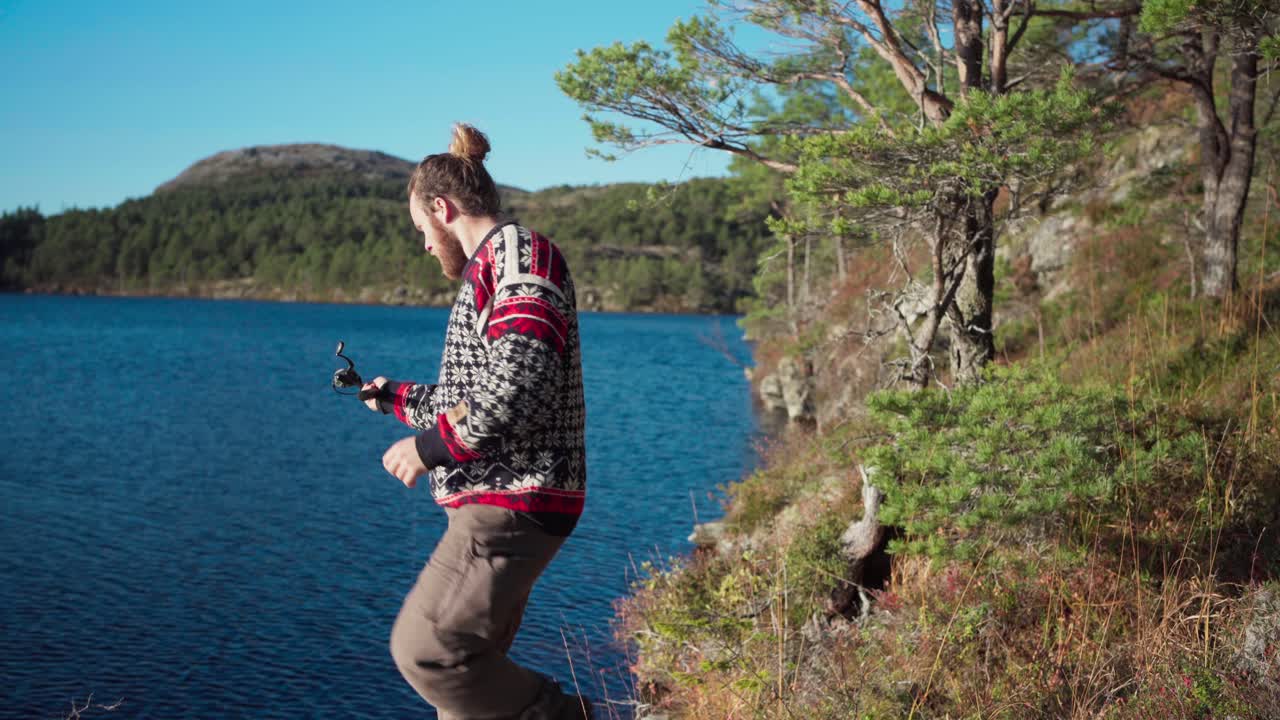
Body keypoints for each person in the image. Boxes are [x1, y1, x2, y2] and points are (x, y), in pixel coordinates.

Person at [362, 123, 591, 720]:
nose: (425, 245)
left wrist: (428, 448)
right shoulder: (496, 264)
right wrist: (393, 398)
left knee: (430, 651)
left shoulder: (520, 256)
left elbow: (517, 383)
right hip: (506, 496)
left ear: (442, 209)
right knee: (468, 697)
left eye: (421, 229)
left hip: (512, 499)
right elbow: (473, 397)